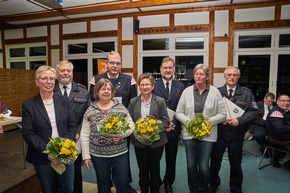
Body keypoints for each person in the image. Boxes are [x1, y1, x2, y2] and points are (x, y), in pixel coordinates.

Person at [22, 66, 77, 193]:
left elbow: (72, 124)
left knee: (68, 189)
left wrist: (65, 148)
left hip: (66, 155)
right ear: (37, 82)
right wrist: (48, 151)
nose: (48, 82)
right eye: (44, 78)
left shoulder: (64, 100)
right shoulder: (29, 105)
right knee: (48, 190)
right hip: (42, 157)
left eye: (51, 78)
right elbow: (28, 133)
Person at [89, 51, 137, 193]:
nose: (115, 65)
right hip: (100, 129)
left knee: (123, 157)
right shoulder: (96, 79)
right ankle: (106, 183)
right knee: (102, 160)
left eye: (118, 63)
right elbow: (92, 101)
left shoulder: (129, 80)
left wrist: (123, 125)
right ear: (107, 63)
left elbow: (133, 102)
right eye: (112, 63)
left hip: (121, 129)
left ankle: (125, 183)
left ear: (121, 65)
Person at [175, 64, 226, 193]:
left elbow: (223, 114)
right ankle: (193, 189)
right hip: (189, 133)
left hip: (208, 134)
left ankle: (203, 189)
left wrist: (207, 121)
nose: (198, 76)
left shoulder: (215, 92)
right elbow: (178, 112)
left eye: (202, 74)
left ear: (207, 76)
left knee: (204, 167)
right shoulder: (187, 91)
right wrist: (189, 122)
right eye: (196, 73)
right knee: (191, 165)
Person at [80, 78, 135, 193]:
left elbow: (131, 124)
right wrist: (86, 156)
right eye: (102, 89)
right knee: (103, 182)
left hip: (119, 153)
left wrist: (122, 134)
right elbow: (84, 134)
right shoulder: (90, 110)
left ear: (112, 92)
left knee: (122, 181)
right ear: (97, 92)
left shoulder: (120, 108)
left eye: (108, 89)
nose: (105, 91)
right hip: (98, 155)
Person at [209, 66, 258, 193]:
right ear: (224, 77)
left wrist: (239, 120)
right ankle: (213, 184)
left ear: (238, 77)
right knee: (215, 162)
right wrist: (219, 118)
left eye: (234, 75)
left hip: (236, 135)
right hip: (219, 133)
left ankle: (235, 188)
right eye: (229, 75)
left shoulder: (247, 93)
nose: (232, 77)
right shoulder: (216, 92)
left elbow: (253, 112)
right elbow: (209, 111)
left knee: (235, 163)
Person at [128, 73, 170, 193]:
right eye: (142, 84)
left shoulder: (160, 101)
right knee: (142, 169)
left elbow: (166, 122)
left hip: (156, 142)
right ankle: (144, 189)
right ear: (139, 86)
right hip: (139, 142)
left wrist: (152, 128)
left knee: (155, 168)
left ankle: (155, 190)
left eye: (147, 84)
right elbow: (129, 121)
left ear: (152, 86)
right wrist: (139, 130)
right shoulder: (133, 102)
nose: (145, 87)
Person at [54, 60, 90, 193]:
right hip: (54, 139)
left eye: (68, 71)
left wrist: (78, 131)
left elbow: (87, 116)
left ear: (72, 73)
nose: (65, 73)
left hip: (75, 138)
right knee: (55, 170)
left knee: (75, 172)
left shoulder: (82, 91)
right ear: (57, 73)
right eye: (62, 70)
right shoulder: (50, 90)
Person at [153, 57, 184, 193]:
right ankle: (156, 180)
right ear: (161, 69)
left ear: (174, 70)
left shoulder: (180, 86)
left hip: (173, 129)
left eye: (170, 67)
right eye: (165, 67)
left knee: (171, 159)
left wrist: (174, 123)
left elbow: (182, 107)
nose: (167, 70)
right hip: (158, 129)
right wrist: (161, 124)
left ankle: (168, 182)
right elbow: (150, 107)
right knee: (155, 159)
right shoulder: (153, 84)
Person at [266, 94, 290, 170]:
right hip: (277, 139)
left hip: (280, 137)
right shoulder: (276, 113)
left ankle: (276, 159)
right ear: (278, 102)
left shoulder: (282, 111)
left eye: (288, 101)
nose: (286, 103)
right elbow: (280, 129)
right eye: (283, 101)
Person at [250, 92, 276, 158]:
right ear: (265, 99)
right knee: (258, 135)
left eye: (272, 101)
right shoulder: (257, 105)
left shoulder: (276, 105)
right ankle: (265, 148)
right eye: (269, 101)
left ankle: (275, 152)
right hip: (260, 124)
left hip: (273, 125)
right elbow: (254, 118)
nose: (270, 103)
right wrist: (266, 122)